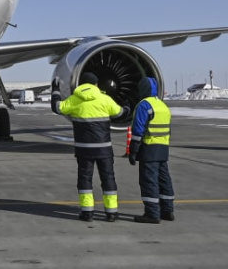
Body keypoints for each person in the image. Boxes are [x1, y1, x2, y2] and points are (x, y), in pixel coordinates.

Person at [56, 72, 126, 222]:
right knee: (108, 178)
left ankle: (87, 212)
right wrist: (126, 106)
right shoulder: (105, 99)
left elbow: (57, 108)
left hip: (84, 148)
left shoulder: (74, 100)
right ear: (95, 84)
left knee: (85, 179)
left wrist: (56, 91)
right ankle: (111, 213)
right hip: (104, 148)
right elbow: (120, 112)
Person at [128, 77, 174, 224]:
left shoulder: (143, 105)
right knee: (164, 181)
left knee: (149, 181)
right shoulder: (162, 105)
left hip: (149, 149)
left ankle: (152, 213)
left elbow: (138, 131)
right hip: (163, 149)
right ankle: (167, 211)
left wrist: (133, 151)